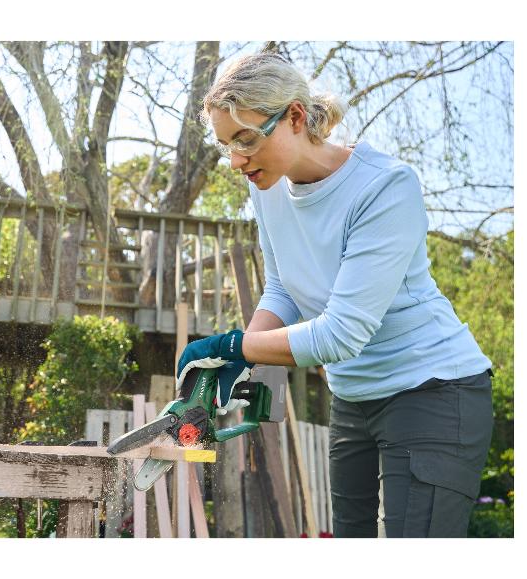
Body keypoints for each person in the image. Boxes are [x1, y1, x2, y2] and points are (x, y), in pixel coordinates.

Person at [176, 52, 493, 538]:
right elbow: (282, 287)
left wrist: (232, 345)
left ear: (295, 117)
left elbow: (341, 334)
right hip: (353, 396)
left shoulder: (384, 187)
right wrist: (241, 359)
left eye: (246, 139)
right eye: (227, 145)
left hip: (432, 388)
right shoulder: (267, 186)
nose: (237, 160)